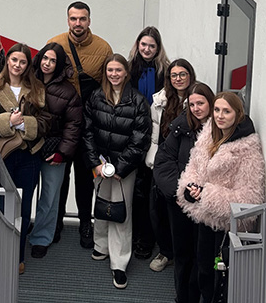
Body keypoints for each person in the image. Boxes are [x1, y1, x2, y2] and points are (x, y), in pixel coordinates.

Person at [177, 92, 266, 303]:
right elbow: (193, 168)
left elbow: (250, 199)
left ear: (238, 113)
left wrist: (206, 194)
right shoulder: (208, 135)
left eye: (226, 111)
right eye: (217, 110)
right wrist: (191, 187)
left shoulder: (247, 150)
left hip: (226, 227)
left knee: (218, 281)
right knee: (203, 272)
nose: (219, 115)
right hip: (204, 219)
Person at [0, 43, 50, 274]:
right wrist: (8, 122)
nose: (18, 65)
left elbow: (46, 123)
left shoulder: (37, 89)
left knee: (24, 205)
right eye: (14, 60)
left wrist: (25, 123)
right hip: (2, 155)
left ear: (28, 65)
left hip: (29, 155)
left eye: (22, 62)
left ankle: (17, 255)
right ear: (7, 60)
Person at [83, 54, 151, 289]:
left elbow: (140, 139)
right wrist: (96, 163)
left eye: (118, 70)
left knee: (122, 211)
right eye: (110, 70)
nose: (113, 74)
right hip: (100, 165)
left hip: (124, 168)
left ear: (126, 73)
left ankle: (119, 262)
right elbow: (87, 131)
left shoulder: (138, 101)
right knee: (101, 203)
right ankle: (101, 246)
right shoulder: (95, 96)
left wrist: (121, 167)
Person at [49, 1, 113, 249]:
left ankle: (86, 222)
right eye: (73, 19)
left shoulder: (103, 47)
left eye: (82, 19)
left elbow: (108, 84)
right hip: (61, 124)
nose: (78, 23)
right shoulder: (55, 43)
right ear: (67, 20)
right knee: (59, 176)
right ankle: (55, 222)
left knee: (86, 177)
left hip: (89, 125)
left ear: (89, 20)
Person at [154, 82, 215, 303]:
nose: (196, 108)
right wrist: (179, 193)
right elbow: (162, 163)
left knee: (203, 259)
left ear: (211, 103)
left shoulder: (220, 133)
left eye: (201, 103)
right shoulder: (179, 128)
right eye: (192, 104)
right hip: (179, 204)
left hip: (206, 206)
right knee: (182, 255)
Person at [28, 42, 82, 259]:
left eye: (53, 60)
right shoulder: (28, 81)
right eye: (45, 59)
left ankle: (41, 237)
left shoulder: (69, 91)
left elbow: (74, 125)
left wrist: (62, 152)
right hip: (28, 147)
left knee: (50, 197)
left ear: (59, 65)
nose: (47, 64)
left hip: (54, 151)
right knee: (23, 193)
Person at [146, 58, 197, 272]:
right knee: (157, 210)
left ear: (190, 76)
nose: (178, 79)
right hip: (161, 163)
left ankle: (185, 255)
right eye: (174, 75)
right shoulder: (159, 101)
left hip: (188, 165)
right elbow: (154, 135)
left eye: (182, 74)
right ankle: (166, 252)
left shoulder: (198, 100)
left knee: (182, 213)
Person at [128, 26, 171, 261]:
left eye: (151, 46)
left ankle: (148, 238)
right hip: (133, 135)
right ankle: (134, 235)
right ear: (138, 45)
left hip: (156, 138)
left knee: (150, 193)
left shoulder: (165, 71)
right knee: (134, 191)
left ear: (158, 48)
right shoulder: (128, 68)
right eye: (143, 44)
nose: (146, 49)